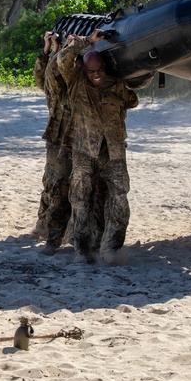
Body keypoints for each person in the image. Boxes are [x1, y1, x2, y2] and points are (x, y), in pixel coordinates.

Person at [57, 32, 138, 264]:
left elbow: (133, 99)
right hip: (84, 151)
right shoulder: (76, 83)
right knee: (80, 201)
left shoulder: (117, 86)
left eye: (100, 70)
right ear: (84, 70)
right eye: (91, 71)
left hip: (113, 152)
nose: (96, 75)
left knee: (120, 199)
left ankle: (110, 248)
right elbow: (64, 59)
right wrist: (87, 42)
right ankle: (81, 250)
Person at [37, 32, 74, 255]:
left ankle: (51, 225)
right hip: (58, 136)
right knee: (54, 183)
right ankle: (45, 224)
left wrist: (57, 50)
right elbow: (45, 75)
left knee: (59, 183)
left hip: (68, 135)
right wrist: (49, 50)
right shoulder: (56, 76)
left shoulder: (69, 74)